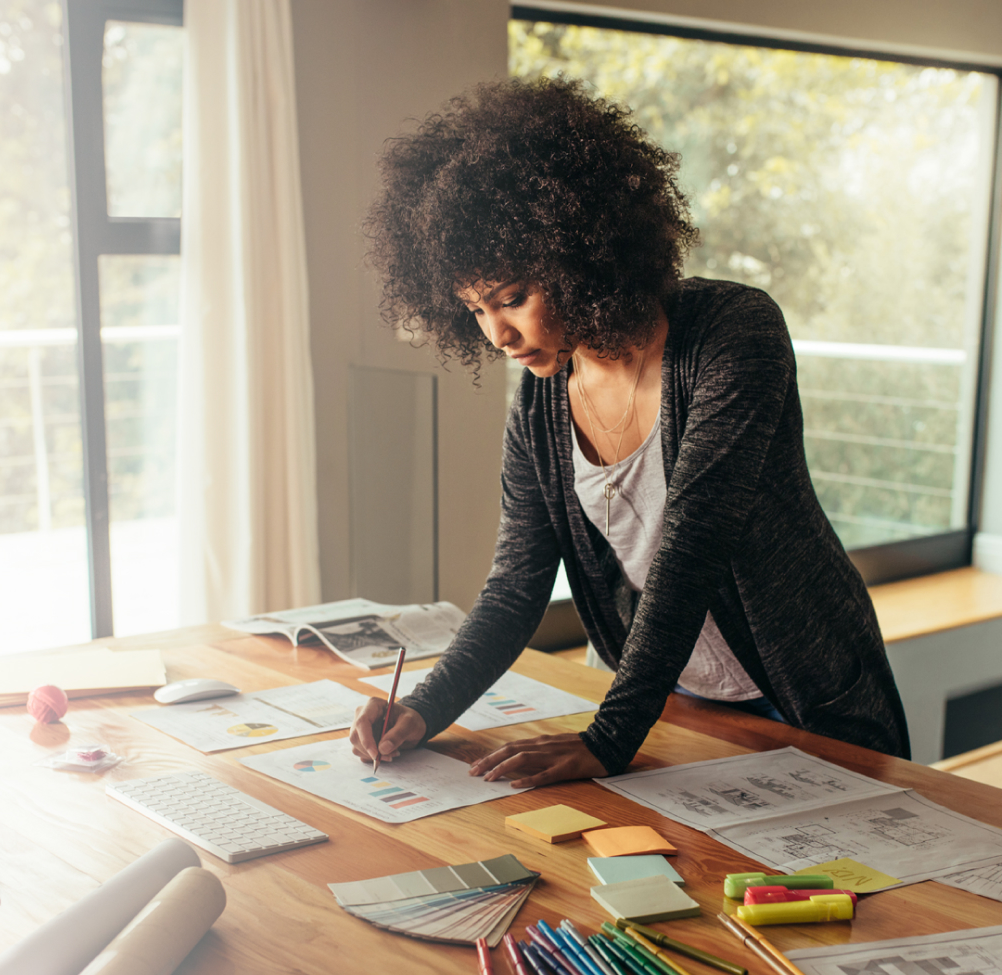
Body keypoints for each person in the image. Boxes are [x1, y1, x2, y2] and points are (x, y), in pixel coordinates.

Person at [349, 76, 909, 788]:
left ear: (580, 255)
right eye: (476, 310)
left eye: (513, 298)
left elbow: (693, 547)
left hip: (804, 699)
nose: (498, 334)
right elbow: (517, 583)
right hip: (668, 705)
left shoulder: (733, 334)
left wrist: (610, 738)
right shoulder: (540, 402)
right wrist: (424, 710)